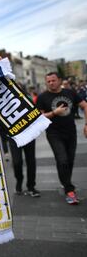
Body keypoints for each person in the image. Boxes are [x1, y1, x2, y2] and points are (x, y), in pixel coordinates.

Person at [37, 72, 87, 205]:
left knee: (69, 161)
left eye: (53, 80)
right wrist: (54, 113)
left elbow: (85, 105)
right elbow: (40, 118)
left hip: (71, 133)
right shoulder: (42, 97)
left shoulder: (70, 93)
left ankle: (66, 183)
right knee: (62, 159)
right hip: (54, 133)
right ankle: (69, 190)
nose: (51, 83)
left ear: (59, 80)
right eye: (48, 81)